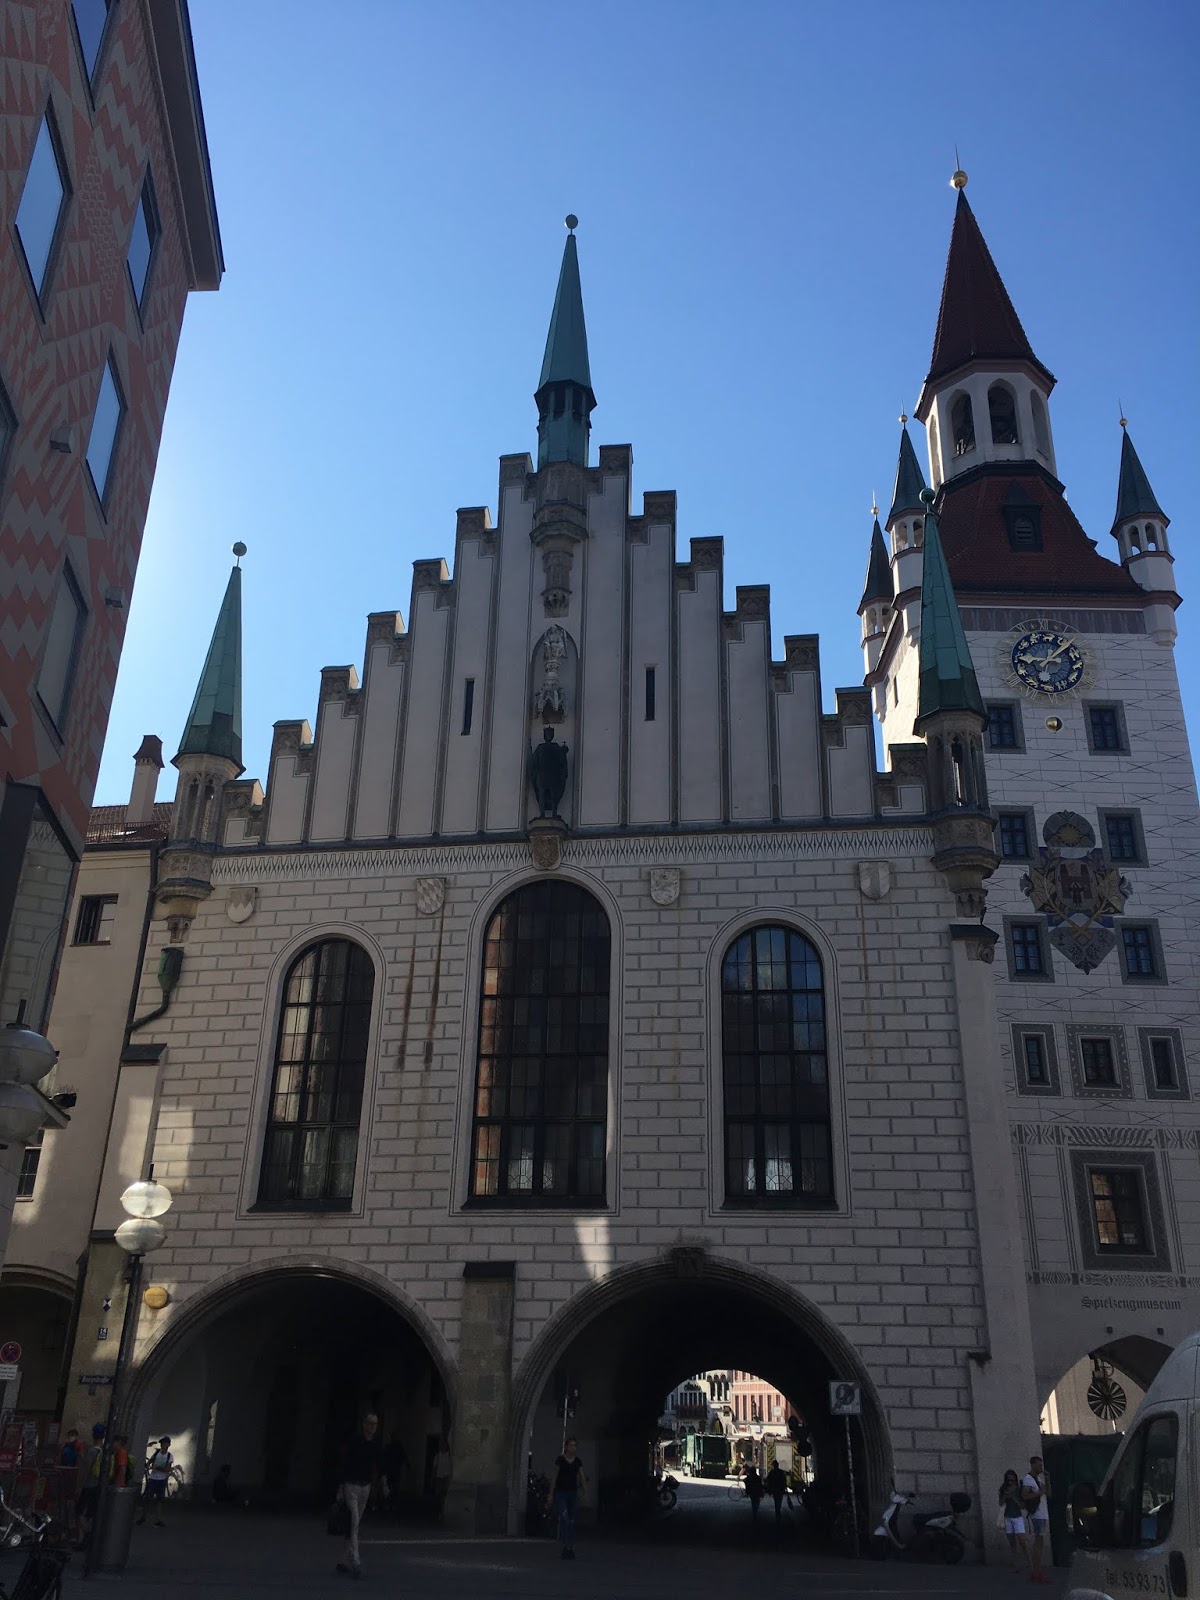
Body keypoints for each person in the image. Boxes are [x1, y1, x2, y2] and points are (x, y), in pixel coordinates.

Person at [336, 1412, 386, 1579]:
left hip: (365, 1487)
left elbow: (380, 1463)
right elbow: (345, 1464)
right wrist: (341, 1487)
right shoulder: (354, 1442)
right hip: (351, 1485)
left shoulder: (376, 1444)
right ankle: (356, 1562)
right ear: (364, 1424)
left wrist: (384, 1482)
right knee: (354, 1523)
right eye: (370, 1423)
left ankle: (342, 1561)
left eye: (375, 1424)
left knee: (353, 1524)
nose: (372, 1426)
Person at [545, 1437, 587, 1560]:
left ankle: (569, 1546)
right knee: (564, 1518)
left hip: (572, 1493)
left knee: (572, 1520)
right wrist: (551, 1494)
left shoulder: (577, 1461)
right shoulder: (560, 1460)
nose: (573, 1448)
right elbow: (554, 1477)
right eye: (571, 1445)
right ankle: (566, 1544)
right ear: (566, 1447)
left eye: (575, 1445)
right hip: (561, 1493)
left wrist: (585, 1491)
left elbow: (582, 1476)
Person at [1022, 1455, 1052, 1585]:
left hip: (1042, 1513)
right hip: (1037, 1514)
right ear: (1033, 1465)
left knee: (1040, 1542)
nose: (1041, 1467)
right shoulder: (1028, 1479)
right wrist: (1039, 1493)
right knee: (1038, 1543)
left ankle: (1037, 1571)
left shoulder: (1038, 1479)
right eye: (1038, 1465)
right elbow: (1025, 1495)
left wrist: (1047, 1481)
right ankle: (1036, 1571)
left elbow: (1049, 1494)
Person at [75, 1424, 106, 1546]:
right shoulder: (104, 1451)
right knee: (90, 1513)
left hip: (89, 1485)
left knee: (79, 1512)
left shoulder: (92, 1451)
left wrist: (80, 1485)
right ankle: (83, 1538)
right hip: (98, 1485)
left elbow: (87, 1469)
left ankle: (88, 1534)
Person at [137, 1436, 173, 1527]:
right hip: (153, 1478)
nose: (162, 1445)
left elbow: (168, 1469)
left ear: (168, 1445)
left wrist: (157, 1468)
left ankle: (158, 1519)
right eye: (162, 1444)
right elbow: (150, 1461)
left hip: (162, 1479)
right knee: (147, 1498)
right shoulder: (157, 1453)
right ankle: (143, 1517)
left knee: (159, 1500)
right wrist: (148, 1465)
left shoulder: (169, 1456)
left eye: (164, 1443)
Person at [999, 1469, 1030, 1574]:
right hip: (1008, 1516)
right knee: (1012, 1542)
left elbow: (1022, 1506)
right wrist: (1005, 1496)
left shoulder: (1019, 1490)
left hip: (1017, 1516)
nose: (1010, 1483)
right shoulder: (1003, 1489)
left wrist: (1013, 1498)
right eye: (1008, 1481)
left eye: (1012, 1481)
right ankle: (1016, 1563)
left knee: (1022, 1540)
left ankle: (1028, 1561)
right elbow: (1000, 1503)